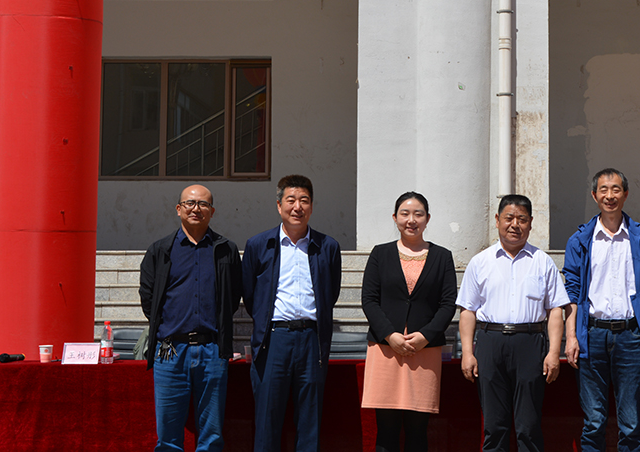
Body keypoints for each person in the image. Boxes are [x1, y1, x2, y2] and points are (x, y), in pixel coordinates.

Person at [457, 194, 570, 452]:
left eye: (522, 219)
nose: (515, 225)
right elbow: (467, 310)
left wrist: (554, 352)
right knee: (494, 425)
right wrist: (467, 353)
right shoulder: (480, 262)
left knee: (528, 425)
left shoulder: (542, 262)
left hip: (530, 343)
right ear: (497, 220)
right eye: (509, 218)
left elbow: (555, 310)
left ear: (530, 223)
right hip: (490, 342)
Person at [563, 168, 640, 452]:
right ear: (594, 195)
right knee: (593, 421)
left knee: (630, 423)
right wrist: (571, 337)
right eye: (604, 190)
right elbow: (572, 292)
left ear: (625, 194)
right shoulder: (580, 240)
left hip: (632, 336)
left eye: (616, 189)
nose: (610, 196)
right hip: (592, 335)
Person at [242, 174, 342, 452]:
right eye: (291, 200)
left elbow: (330, 293)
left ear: (312, 206)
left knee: (310, 420)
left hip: (311, 339)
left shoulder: (328, 246)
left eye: (304, 200)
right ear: (279, 205)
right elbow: (250, 295)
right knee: (267, 419)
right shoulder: (258, 245)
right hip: (274, 339)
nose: (297, 207)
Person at [139, 184, 243, 452]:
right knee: (168, 438)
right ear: (179, 209)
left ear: (212, 211)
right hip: (169, 350)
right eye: (190, 203)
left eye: (203, 204)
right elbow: (149, 299)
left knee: (211, 437)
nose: (196, 209)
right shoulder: (160, 250)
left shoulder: (225, 250)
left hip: (212, 350)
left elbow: (232, 297)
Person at [361, 192, 458, 452]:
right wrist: (389, 334)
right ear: (395, 218)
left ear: (428, 219)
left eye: (418, 214)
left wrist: (426, 335)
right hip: (385, 349)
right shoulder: (380, 254)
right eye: (405, 214)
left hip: (423, 350)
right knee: (386, 429)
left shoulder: (442, 256)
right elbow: (369, 299)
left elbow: (448, 303)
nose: (411, 220)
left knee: (418, 429)